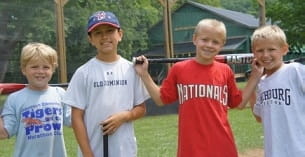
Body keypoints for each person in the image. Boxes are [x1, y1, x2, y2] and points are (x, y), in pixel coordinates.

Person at [134, 18, 263, 157]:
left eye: (215, 42)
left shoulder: (225, 71)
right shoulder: (179, 69)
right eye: (204, 39)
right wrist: (144, 74)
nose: (209, 45)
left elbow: (239, 103)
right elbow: (160, 99)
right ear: (195, 39)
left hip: (222, 146)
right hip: (191, 148)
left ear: (222, 44)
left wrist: (255, 76)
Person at [62, 11, 150, 157]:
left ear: (120, 34)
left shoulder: (131, 69)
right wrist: (87, 154)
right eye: (98, 33)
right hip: (94, 150)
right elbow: (76, 117)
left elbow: (141, 108)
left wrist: (123, 116)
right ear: (90, 39)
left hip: (125, 151)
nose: (104, 37)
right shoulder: (83, 73)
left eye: (110, 31)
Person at [0, 42, 71, 157]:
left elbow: (74, 121)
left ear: (53, 69)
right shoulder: (14, 99)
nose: (40, 71)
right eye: (34, 67)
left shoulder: (60, 94)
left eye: (46, 67)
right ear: (24, 69)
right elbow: (3, 133)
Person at [250, 25, 305, 157]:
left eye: (271, 49)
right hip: (274, 152)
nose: (265, 55)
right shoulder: (261, 83)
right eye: (260, 50)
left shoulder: (295, 70)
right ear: (254, 53)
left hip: (299, 150)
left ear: (284, 49)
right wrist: (253, 81)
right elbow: (259, 117)